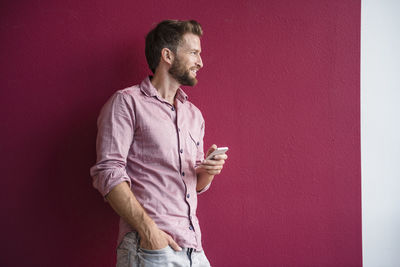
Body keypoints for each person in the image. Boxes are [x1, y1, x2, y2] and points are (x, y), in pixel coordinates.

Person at [90, 19, 228, 267]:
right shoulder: (127, 102)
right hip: (151, 249)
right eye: (194, 53)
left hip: (194, 250)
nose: (200, 62)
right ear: (167, 55)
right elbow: (108, 173)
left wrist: (208, 171)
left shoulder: (194, 115)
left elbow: (193, 185)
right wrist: (150, 232)